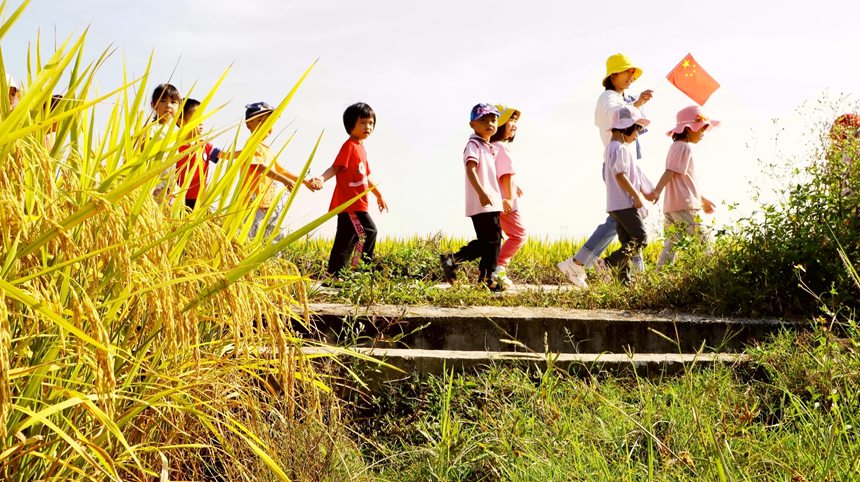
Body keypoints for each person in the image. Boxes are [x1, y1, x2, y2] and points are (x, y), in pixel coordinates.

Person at [557, 53, 653, 287]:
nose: (632, 76)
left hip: (627, 165)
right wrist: (637, 105)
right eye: (627, 71)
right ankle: (582, 263)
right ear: (613, 75)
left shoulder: (622, 97)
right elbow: (615, 116)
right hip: (617, 166)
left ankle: (630, 274)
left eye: (633, 73)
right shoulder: (609, 97)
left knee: (624, 223)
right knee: (624, 221)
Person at [220, 102, 321, 240]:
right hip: (252, 203)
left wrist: (304, 182)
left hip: (266, 203)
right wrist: (283, 180)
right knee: (251, 236)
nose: (266, 124)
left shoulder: (267, 150)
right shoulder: (252, 144)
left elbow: (282, 170)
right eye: (261, 120)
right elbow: (260, 167)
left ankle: (271, 259)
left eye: (269, 121)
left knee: (273, 235)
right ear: (249, 125)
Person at [311, 102, 387, 278]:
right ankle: (360, 269)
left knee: (347, 238)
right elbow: (336, 168)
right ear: (350, 124)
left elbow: (366, 177)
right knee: (368, 232)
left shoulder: (361, 148)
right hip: (350, 203)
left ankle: (335, 273)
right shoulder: (349, 146)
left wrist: (379, 196)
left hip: (358, 203)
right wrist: (321, 179)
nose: (368, 127)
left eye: (371, 123)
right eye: (363, 122)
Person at [440, 103, 505, 291]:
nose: (489, 123)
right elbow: (471, 170)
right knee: (493, 242)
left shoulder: (487, 147)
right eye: (483, 120)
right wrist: (482, 193)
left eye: (493, 120)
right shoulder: (474, 145)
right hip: (483, 202)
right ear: (472, 125)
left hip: (488, 202)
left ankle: (452, 260)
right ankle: (487, 279)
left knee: (487, 243)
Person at [650, 105, 719, 267]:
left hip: (672, 206)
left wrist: (702, 199)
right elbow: (670, 171)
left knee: (672, 243)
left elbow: (684, 180)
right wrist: (657, 190)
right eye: (701, 129)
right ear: (689, 129)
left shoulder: (675, 146)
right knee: (703, 240)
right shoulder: (683, 147)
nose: (702, 134)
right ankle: (712, 271)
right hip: (685, 205)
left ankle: (661, 275)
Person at [602, 106, 654, 283]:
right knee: (640, 238)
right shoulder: (620, 148)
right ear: (626, 127)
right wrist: (637, 196)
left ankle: (624, 281)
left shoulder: (611, 147)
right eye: (637, 131)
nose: (637, 136)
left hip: (614, 205)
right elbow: (620, 175)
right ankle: (607, 263)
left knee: (627, 242)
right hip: (625, 204)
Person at [490, 104, 526, 289]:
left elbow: (499, 174)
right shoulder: (502, 148)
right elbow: (505, 175)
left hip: (496, 201)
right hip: (506, 203)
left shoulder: (492, 147)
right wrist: (510, 198)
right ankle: (499, 266)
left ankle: (493, 269)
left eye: (515, 121)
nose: (514, 124)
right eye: (510, 120)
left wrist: (514, 186)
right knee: (519, 235)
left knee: (496, 238)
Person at [175, 98, 220, 210]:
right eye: (196, 118)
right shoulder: (175, 147)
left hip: (198, 199)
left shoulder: (205, 146)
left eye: (202, 118)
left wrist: (246, 152)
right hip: (177, 197)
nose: (201, 122)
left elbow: (225, 155)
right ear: (181, 121)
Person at [145, 83, 182, 200]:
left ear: (179, 105)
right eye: (163, 101)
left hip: (174, 187)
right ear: (153, 105)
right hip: (155, 185)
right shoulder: (151, 130)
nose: (168, 106)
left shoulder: (180, 132)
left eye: (173, 102)